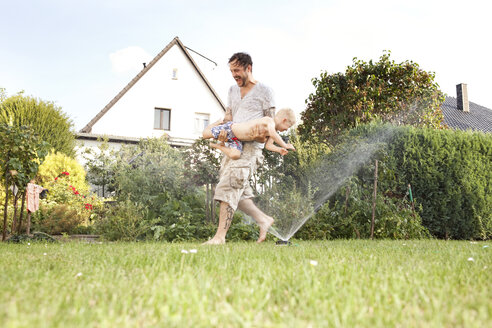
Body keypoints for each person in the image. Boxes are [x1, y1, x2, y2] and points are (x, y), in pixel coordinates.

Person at [203, 52, 276, 245]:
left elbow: (271, 123)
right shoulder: (232, 91)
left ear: (248, 68)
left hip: (251, 147)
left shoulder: (265, 91)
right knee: (239, 192)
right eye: (231, 71)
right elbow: (229, 117)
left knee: (229, 184)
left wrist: (261, 136)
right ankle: (263, 219)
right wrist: (222, 132)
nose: (234, 75)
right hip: (233, 143)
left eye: (237, 70)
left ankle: (219, 237)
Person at [202, 108, 296, 160]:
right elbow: (273, 134)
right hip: (230, 130)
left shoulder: (273, 133)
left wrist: (279, 150)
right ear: (284, 120)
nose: (286, 129)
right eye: (288, 126)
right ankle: (217, 123)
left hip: (236, 139)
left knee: (235, 155)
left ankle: (218, 146)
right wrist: (285, 145)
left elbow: (268, 146)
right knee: (205, 134)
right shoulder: (269, 121)